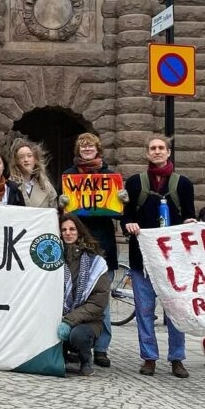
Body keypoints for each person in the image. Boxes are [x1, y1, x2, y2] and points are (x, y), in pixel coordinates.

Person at [121, 136, 196, 379]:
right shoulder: (134, 183)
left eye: (161, 148)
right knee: (144, 311)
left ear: (168, 152)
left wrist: (190, 222)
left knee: (175, 310)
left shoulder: (183, 184)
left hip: (173, 262)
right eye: (152, 148)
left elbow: (189, 215)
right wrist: (128, 224)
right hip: (141, 259)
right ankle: (149, 358)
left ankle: (177, 358)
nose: (156, 152)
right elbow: (125, 216)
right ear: (147, 153)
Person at [62, 132, 119, 368]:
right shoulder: (69, 175)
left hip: (103, 242)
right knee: (72, 294)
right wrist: (61, 203)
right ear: (78, 149)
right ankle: (75, 344)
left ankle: (102, 348)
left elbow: (118, 212)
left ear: (98, 149)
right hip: (75, 244)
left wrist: (121, 201)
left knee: (100, 297)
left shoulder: (109, 176)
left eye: (90, 146)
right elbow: (63, 212)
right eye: (82, 146)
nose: (87, 150)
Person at [56, 215, 111, 377]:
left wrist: (69, 320)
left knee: (78, 335)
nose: (68, 233)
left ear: (79, 232)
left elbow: (98, 302)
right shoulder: (53, 257)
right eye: (64, 230)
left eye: (72, 229)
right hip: (59, 316)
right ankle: (61, 356)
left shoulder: (95, 261)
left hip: (89, 320)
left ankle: (86, 359)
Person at [9, 138, 58, 209]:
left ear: (35, 160)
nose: (26, 160)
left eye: (29, 156)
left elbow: (54, 213)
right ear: (16, 161)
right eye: (21, 157)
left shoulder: (47, 187)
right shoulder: (9, 186)